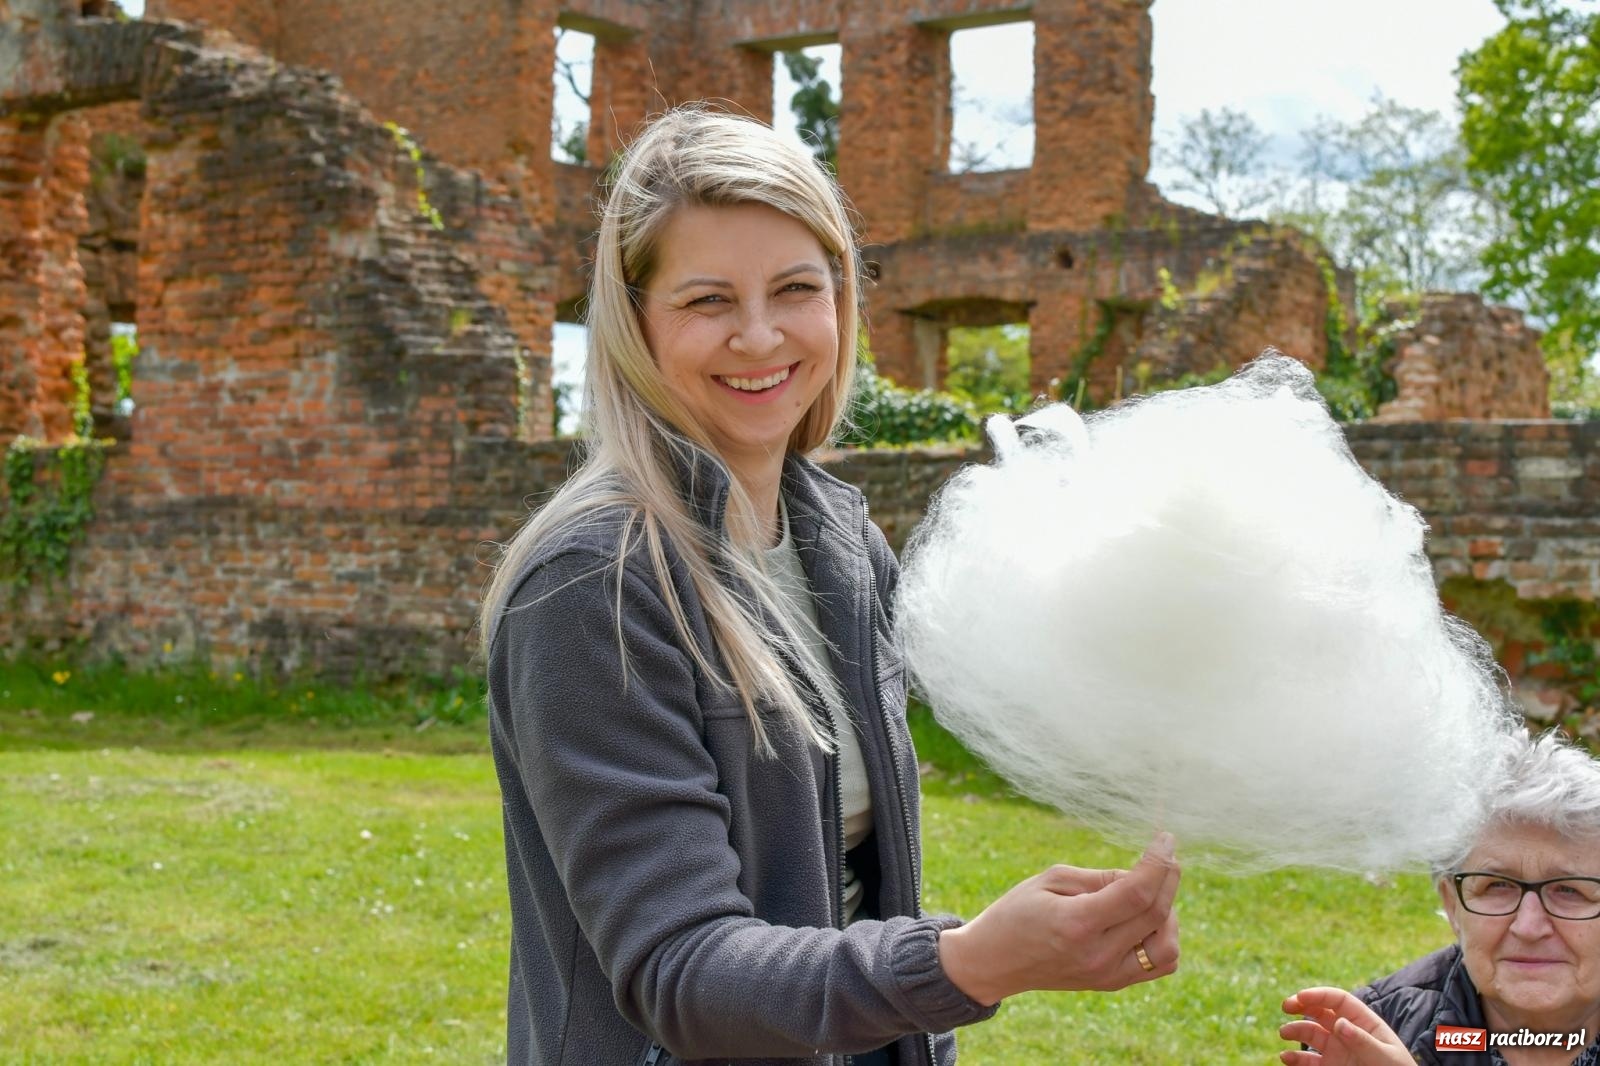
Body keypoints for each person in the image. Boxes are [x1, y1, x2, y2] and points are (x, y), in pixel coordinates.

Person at [479, 106, 1181, 1066]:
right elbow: (680, 974)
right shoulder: (592, 586)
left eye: (796, 288)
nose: (761, 336)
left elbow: (854, 881)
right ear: (636, 321)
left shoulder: (839, 543)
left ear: (841, 301)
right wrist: (970, 961)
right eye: (707, 300)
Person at [1280, 731, 1600, 1066]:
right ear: (1452, 904)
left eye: (1568, 890)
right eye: (1496, 886)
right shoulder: (1369, 1034)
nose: (1529, 927)